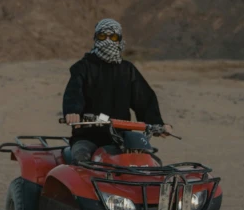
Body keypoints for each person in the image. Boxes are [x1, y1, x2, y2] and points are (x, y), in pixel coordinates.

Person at [62, 18, 173, 163]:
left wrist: (157, 124)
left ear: (119, 40)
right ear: (96, 38)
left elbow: (144, 99)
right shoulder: (83, 67)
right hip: (88, 136)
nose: (108, 41)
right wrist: (73, 112)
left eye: (113, 37)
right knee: (81, 160)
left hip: (121, 137)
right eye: (102, 36)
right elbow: (74, 93)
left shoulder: (127, 70)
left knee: (150, 163)